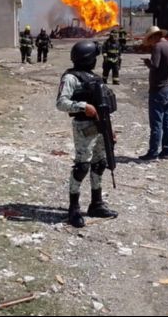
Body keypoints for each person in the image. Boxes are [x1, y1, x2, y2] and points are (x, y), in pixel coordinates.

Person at [56, 41, 118, 228]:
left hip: (100, 126)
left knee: (99, 164)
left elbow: (104, 107)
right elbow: (61, 103)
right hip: (84, 127)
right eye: (94, 58)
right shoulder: (71, 78)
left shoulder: (95, 77)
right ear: (88, 58)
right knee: (82, 166)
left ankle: (96, 203)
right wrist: (83, 106)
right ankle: (73, 208)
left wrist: (110, 130)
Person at [139, 26, 168, 161]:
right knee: (167, 121)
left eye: (150, 39)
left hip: (158, 90)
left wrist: (148, 63)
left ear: (154, 36)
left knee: (156, 123)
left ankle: (153, 152)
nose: (150, 43)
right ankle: (167, 151)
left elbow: (155, 66)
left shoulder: (157, 47)